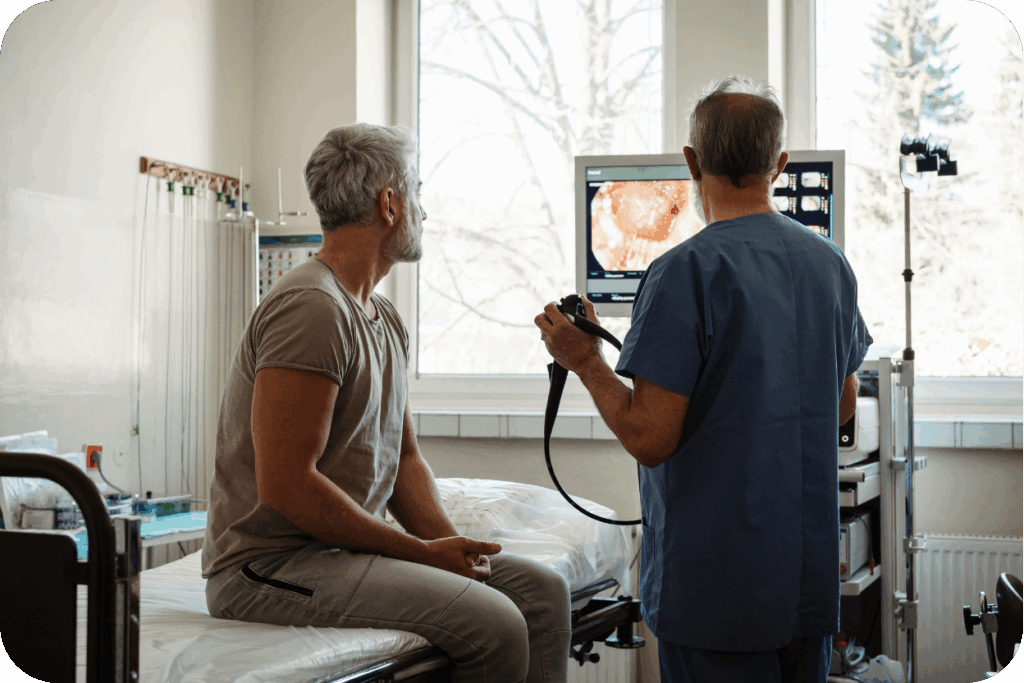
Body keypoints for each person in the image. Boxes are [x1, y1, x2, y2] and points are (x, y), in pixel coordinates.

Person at [202, 123, 572, 683]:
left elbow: (402, 461)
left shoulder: (382, 318)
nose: (426, 211)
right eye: (418, 194)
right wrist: (421, 556)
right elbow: (287, 485)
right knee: (497, 623)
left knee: (542, 593)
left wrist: (451, 552)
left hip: (337, 555)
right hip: (267, 567)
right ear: (391, 204)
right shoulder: (312, 309)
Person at [535, 76, 872, 683]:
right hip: (805, 585)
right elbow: (843, 408)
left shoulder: (682, 272)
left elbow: (650, 437)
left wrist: (585, 361)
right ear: (780, 164)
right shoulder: (830, 263)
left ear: (691, 161)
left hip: (717, 595)